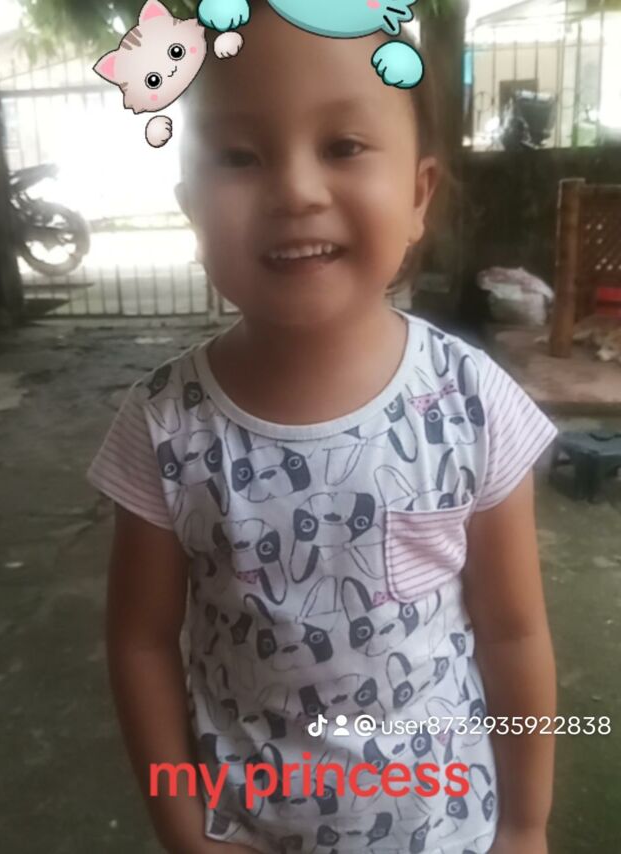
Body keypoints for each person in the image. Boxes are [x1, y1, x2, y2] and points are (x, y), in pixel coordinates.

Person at [86, 4, 558, 853]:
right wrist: (185, 830)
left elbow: (514, 631)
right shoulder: (165, 427)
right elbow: (141, 643)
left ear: (418, 195)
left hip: (446, 830)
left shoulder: (470, 403)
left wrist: (525, 825)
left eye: (342, 146)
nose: (297, 191)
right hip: (247, 831)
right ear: (191, 207)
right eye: (240, 156)